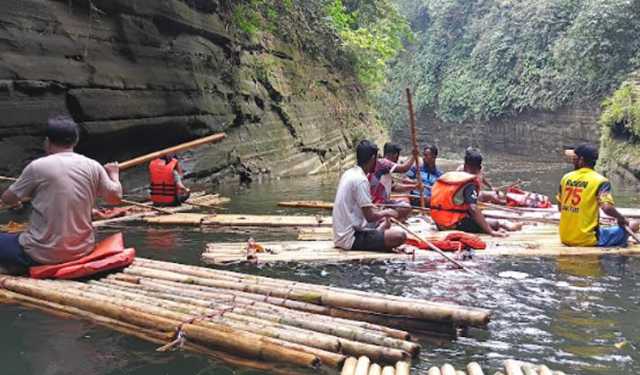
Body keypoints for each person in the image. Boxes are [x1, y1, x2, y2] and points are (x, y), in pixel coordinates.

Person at [0, 115, 122, 273]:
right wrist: (114, 174)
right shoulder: (93, 165)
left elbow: (7, 199)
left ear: (47, 141)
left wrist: (18, 199)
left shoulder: (38, 167)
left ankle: (15, 268)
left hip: (41, 254)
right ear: (75, 141)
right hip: (83, 250)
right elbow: (115, 198)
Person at [333, 140, 407, 251]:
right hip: (351, 238)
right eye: (376, 159)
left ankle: (379, 231)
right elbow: (370, 217)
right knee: (400, 236)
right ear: (372, 159)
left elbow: (365, 211)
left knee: (384, 226)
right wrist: (387, 212)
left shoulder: (348, 173)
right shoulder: (361, 180)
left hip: (341, 234)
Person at [559, 144, 639, 247]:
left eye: (575, 158)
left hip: (565, 237)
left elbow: (560, 208)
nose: (572, 160)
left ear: (582, 160)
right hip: (587, 239)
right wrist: (622, 219)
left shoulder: (565, 178)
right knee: (634, 224)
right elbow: (607, 208)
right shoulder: (601, 181)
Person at [430, 148, 521, 237]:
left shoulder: (448, 175)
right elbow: (473, 208)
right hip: (451, 223)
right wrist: (490, 231)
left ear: (465, 164)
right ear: (479, 168)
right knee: (496, 223)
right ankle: (511, 226)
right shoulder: (469, 182)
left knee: (480, 216)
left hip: (438, 222)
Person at [368, 143, 414, 220]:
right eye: (397, 156)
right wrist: (414, 156)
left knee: (405, 202)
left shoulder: (384, 167)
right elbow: (404, 169)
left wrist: (414, 187)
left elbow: (394, 187)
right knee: (405, 208)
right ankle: (384, 219)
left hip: (383, 202)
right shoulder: (384, 163)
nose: (397, 159)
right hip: (378, 203)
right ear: (395, 155)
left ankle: (387, 218)